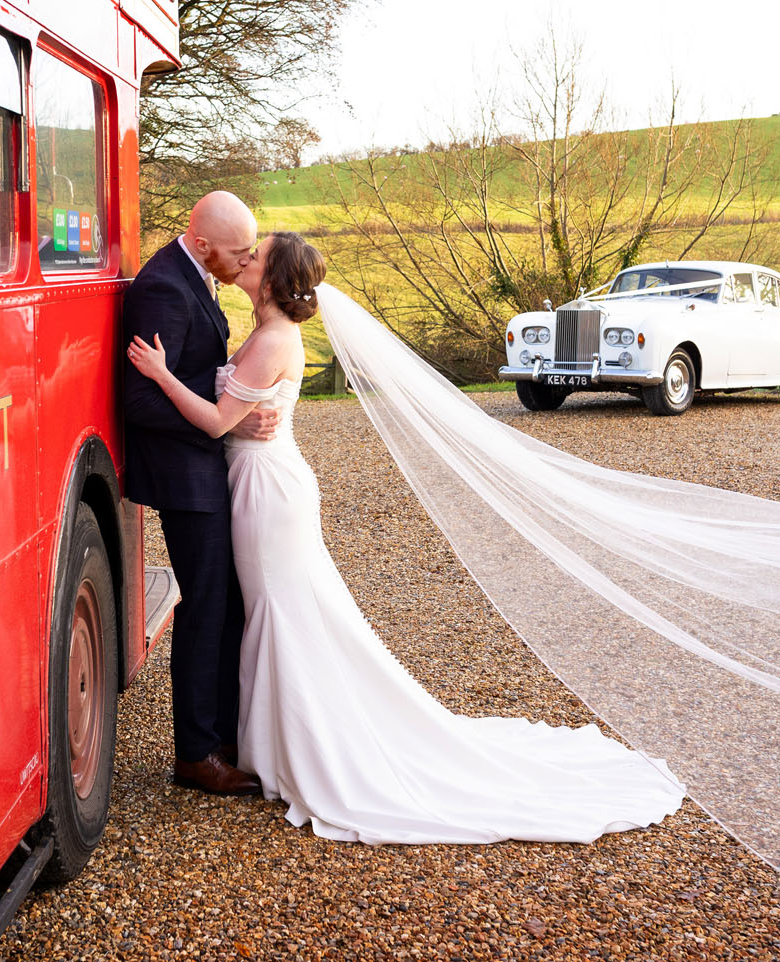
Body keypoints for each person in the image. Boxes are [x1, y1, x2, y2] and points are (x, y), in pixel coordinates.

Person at [127, 232, 686, 843]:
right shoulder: (265, 334)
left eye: (256, 256)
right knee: (274, 611)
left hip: (267, 495)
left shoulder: (274, 338)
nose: (247, 258)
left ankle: (302, 748)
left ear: (273, 279)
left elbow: (215, 420)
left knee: (280, 613)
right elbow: (236, 401)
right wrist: (237, 401)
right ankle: (266, 742)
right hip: (258, 479)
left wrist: (160, 374)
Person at [121, 191, 278, 797]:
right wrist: (230, 420)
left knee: (226, 602)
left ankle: (222, 734)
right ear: (205, 244)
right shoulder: (163, 287)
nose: (246, 263)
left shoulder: (198, 274)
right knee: (206, 606)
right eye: (238, 253)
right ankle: (195, 753)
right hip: (184, 476)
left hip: (207, 466)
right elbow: (139, 401)